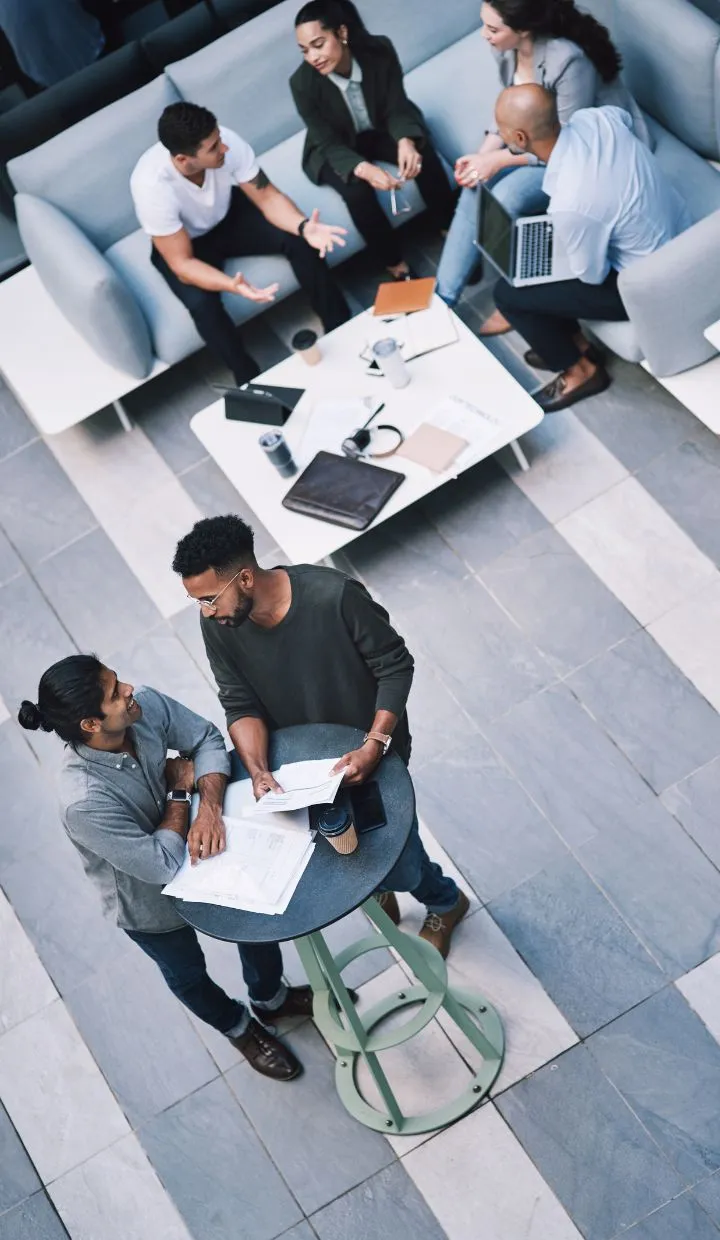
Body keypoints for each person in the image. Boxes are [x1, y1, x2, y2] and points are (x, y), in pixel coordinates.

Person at [172, 515, 470, 960]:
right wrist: (257, 770)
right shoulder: (220, 624)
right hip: (303, 767)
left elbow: (394, 665)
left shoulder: (335, 596)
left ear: (246, 578)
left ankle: (443, 901)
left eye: (210, 599)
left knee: (398, 852)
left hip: (371, 751)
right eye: (198, 602)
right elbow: (240, 703)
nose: (206, 611)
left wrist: (375, 744)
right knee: (343, 849)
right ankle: (380, 884)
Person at [18, 656, 314, 1082]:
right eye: (115, 692)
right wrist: (180, 791)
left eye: (118, 681)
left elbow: (207, 739)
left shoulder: (145, 707)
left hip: (204, 847)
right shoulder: (83, 801)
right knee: (187, 974)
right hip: (148, 902)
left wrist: (209, 808)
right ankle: (239, 1028)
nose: (129, 689)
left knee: (253, 925)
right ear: (90, 724)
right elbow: (159, 864)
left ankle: (271, 998)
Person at [481, 86, 691, 413]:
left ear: (520, 139)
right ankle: (573, 345)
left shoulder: (571, 203)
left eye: (501, 131)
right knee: (539, 239)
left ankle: (581, 371)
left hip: (647, 282)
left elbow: (591, 276)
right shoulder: (594, 118)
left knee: (510, 294)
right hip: (676, 225)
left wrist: (563, 247)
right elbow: (622, 120)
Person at [435, 0, 649, 309]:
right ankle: (443, 300)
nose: (484, 35)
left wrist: (497, 161)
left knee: (506, 195)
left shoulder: (569, 61)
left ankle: (521, 295)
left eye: (493, 28)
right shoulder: (506, 50)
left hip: (586, 151)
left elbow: (567, 145)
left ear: (523, 29)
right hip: (536, 139)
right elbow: (509, 108)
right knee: (474, 184)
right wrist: (481, 157)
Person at [130, 101, 350, 386]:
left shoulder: (225, 142)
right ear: (184, 160)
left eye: (219, 139)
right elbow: (182, 264)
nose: (224, 148)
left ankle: (342, 328)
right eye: (213, 148)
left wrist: (304, 226)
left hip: (230, 215)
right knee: (202, 306)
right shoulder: (151, 187)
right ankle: (248, 380)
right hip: (186, 244)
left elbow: (268, 197)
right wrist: (229, 284)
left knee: (300, 240)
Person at [290, 0, 456, 281]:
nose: (312, 57)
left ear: (342, 33)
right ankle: (395, 264)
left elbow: (396, 103)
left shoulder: (379, 50)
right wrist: (364, 169)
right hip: (335, 145)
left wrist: (405, 140)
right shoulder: (302, 83)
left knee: (421, 152)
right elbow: (328, 142)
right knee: (357, 191)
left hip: (378, 129)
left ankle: (449, 230)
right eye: (305, 50)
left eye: (318, 44)